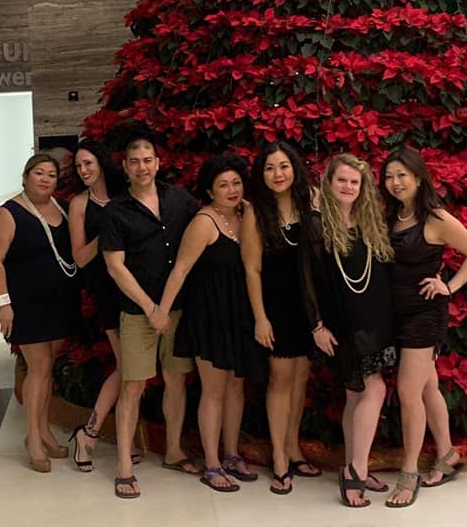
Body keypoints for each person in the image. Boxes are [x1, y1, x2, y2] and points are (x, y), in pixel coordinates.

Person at [379, 148, 467, 509]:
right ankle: (447, 454)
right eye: (389, 176)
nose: (395, 182)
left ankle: (409, 472)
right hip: (395, 313)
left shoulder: (435, 217)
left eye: (402, 175)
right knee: (427, 386)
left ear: (418, 177)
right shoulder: (391, 215)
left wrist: (449, 286)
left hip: (424, 314)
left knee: (408, 392)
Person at [153, 154, 266, 493]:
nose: (231, 190)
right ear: (209, 191)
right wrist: (162, 311)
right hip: (209, 316)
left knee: (236, 386)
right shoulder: (204, 222)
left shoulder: (246, 215)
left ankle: (231, 454)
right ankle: (212, 463)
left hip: (239, 313)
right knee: (213, 389)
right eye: (223, 185)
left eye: (236, 183)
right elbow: (180, 270)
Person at [100, 133, 200, 499]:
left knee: (176, 380)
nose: (142, 167)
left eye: (147, 160)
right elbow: (115, 267)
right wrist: (150, 309)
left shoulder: (179, 200)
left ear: (158, 163)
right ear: (125, 168)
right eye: (135, 162)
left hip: (179, 309)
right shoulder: (116, 211)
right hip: (137, 312)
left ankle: (173, 451)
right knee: (133, 386)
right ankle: (124, 466)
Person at [305, 152, 396, 508]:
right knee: (374, 389)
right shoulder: (317, 224)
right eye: (341, 180)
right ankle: (356, 470)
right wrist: (316, 325)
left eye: (354, 182)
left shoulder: (369, 220)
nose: (347, 186)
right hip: (343, 325)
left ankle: (353, 464)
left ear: (363, 187)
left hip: (375, 322)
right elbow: (307, 280)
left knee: (357, 396)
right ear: (328, 183)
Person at [0, 153, 79, 473]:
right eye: (39, 173)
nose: (45, 179)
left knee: (48, 368)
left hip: (59, 302)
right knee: (39, 367)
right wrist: (4, 304)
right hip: (26, 304)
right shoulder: (7, 213)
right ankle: (33, 439)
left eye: (51, 175)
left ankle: (45, 430)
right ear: (25, 177)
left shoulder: (62, 208)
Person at [241, 141, 320, 496]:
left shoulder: (311, 201)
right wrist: (260, 317)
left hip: (309, 307)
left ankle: (293, 446)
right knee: (280, 380)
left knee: (301, 378)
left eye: (284, 166)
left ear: (295, 168)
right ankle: (278, 457)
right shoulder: (256, 213)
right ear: (261, 174)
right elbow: (252, 270)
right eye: (270, 167)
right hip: (275, 307)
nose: (278, 174)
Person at [67, 138, 141, 471]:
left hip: (136, 287)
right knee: (128, 368)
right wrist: (109, 233)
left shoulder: (124, 194)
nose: (83, 170)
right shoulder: (79, 204)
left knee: (135, 371)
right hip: (108, 292)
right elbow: (80, 258)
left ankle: (124, 439)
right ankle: (89, 433)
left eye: (88, 163)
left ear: (100, 162)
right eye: (78, 166)